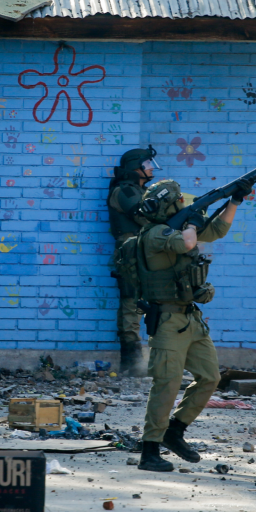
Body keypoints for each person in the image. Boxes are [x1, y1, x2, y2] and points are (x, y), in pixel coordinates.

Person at [134, 179, 249, 472]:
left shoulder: (179, 228)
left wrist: (233, 201)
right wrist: (194, 222)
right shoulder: (156, 234)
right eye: (180, 203)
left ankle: (175, 430)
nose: (184, 205)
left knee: (210, 377)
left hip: (190, 318)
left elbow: (219, 230)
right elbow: (188, 241)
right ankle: (149, 451)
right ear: (169, 205)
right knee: (167, 385)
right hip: (167, 320)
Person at [108, 146, 157, 373]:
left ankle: (153, 360)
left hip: (145, 253)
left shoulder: (141, 190)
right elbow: (144, 217)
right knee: (131, 303)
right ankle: (132, 364)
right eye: (146, 164)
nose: (150, 168)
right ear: (134, 168)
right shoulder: (125, 191)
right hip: (130, 253)